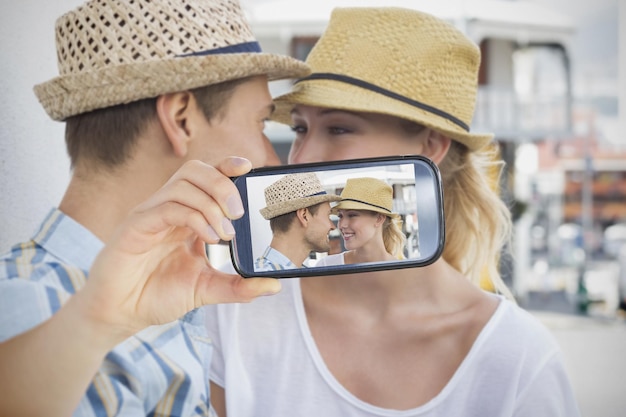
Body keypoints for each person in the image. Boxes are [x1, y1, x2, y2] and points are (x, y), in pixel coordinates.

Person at [205, 7, 580, 417]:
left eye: (339, 128)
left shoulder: (518, 360)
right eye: (300, 129)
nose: (302, 156)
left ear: (431, 146)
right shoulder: (237, 312)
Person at [0, 0, 309, 416]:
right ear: (181, 118)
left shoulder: (174, 285)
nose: (273, 159)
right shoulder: (34, 307)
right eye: (260, 123)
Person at [255, 172, 339, 270]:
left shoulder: (297, 274)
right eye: (328, 215)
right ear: (304, 216)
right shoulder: (263, 279)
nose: (333, 226)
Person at [316, 177, 405, 266]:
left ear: (379, 219)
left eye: (352, 215)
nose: (342, 225)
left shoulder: (403, 271)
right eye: (340, 216)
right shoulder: (326, 266)